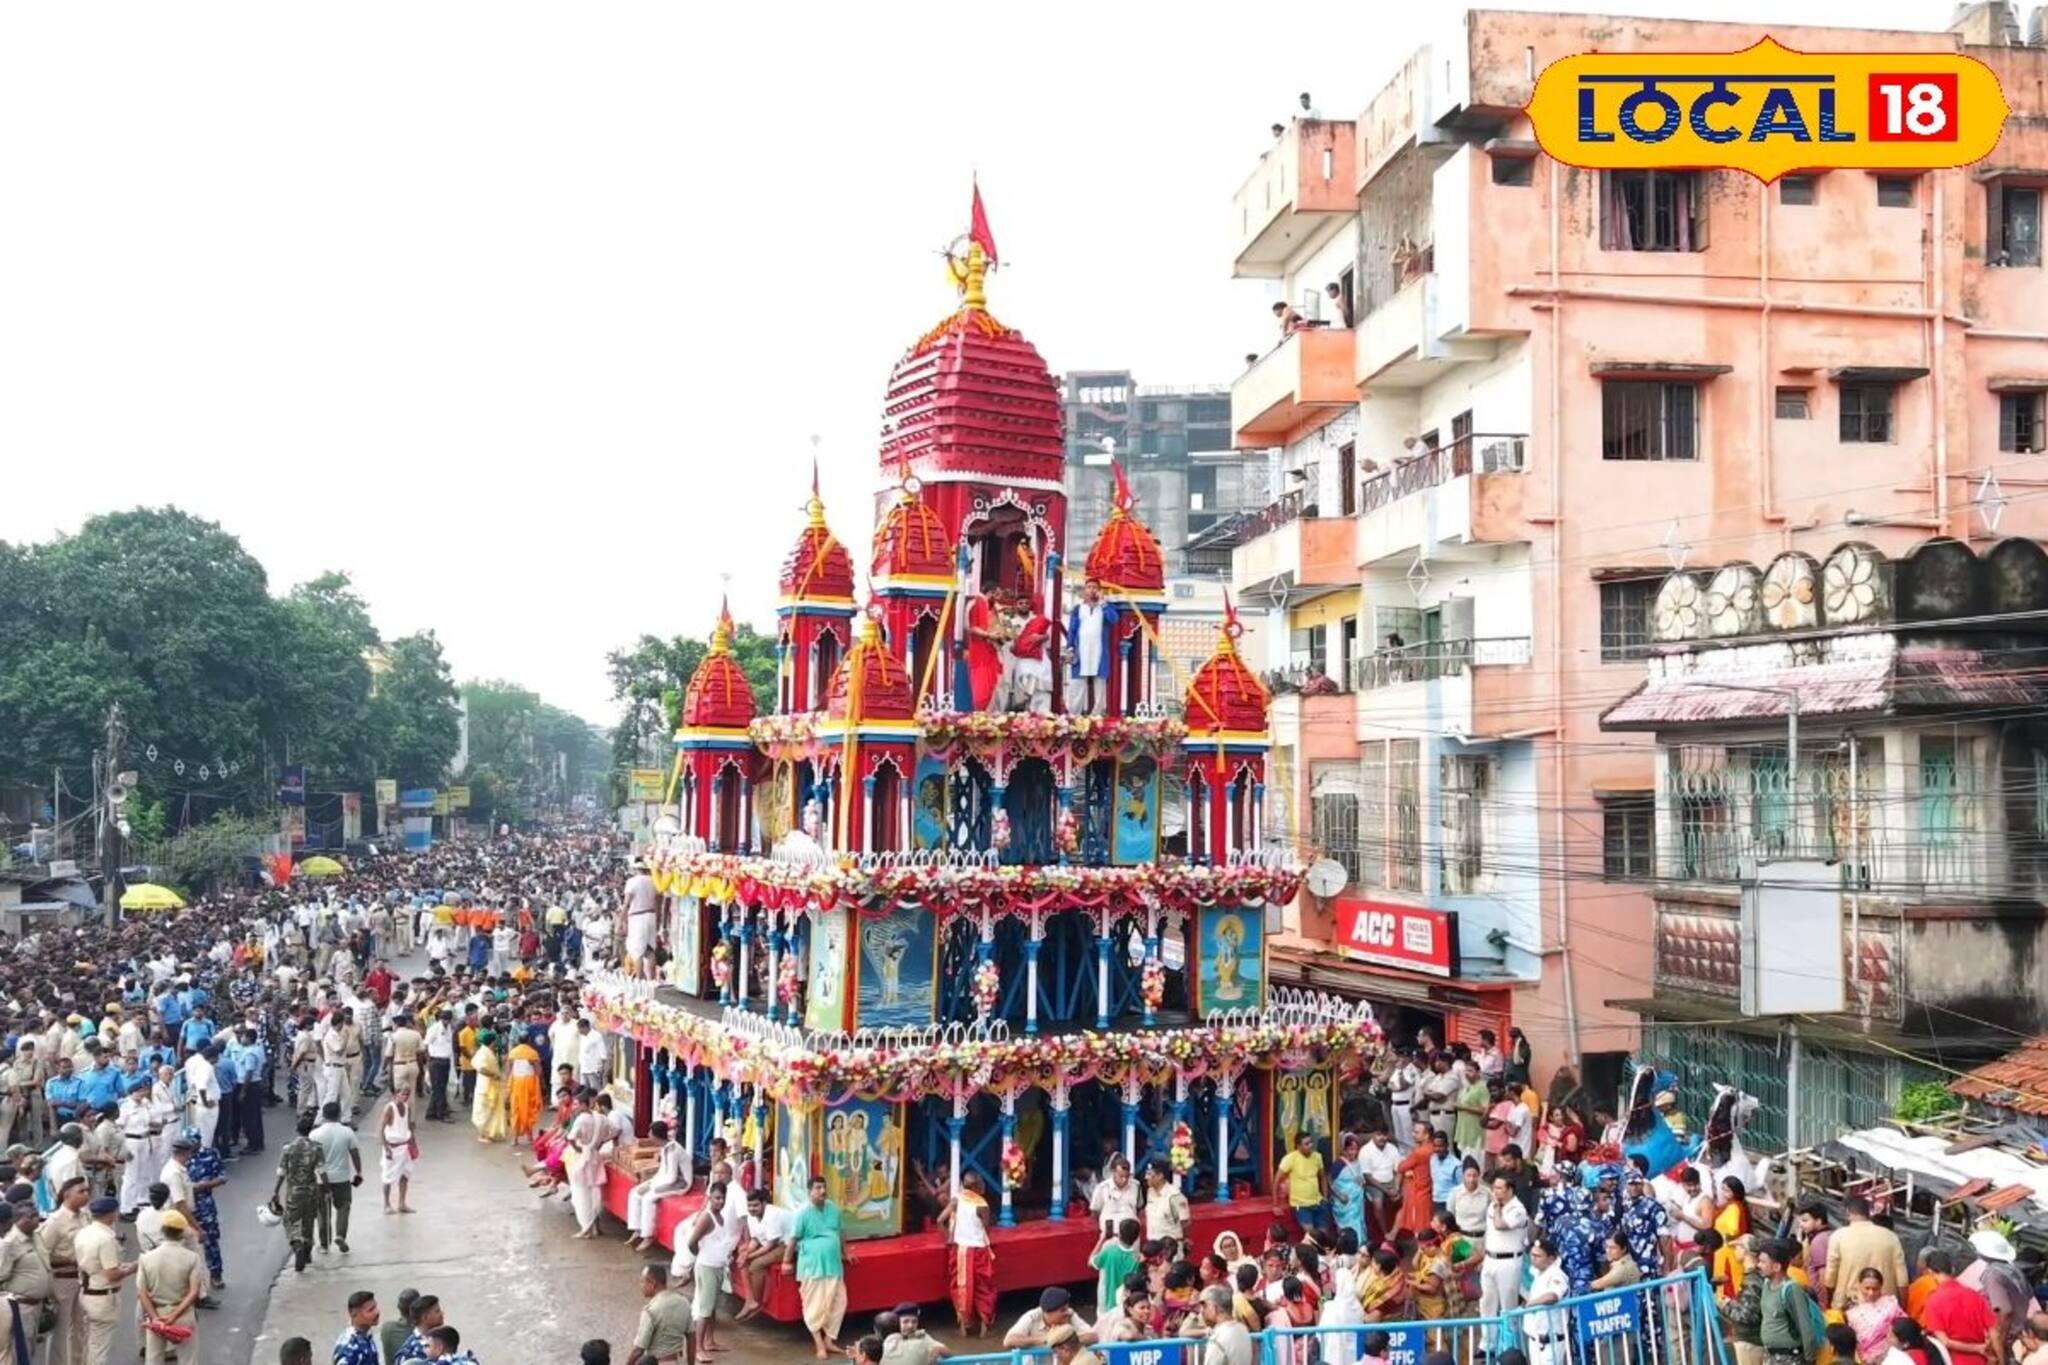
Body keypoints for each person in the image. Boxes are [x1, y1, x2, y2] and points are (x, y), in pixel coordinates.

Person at [787, 1174, 847, 1359]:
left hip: (834, 1265)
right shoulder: (802, 1213)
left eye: (823, 1187)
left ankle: (829, 1340)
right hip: (812, 1267)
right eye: (818, 1188)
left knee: (839, 1303)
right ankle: (819, 1344)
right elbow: (793, 1240)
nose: (822, 1191)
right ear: (809, 1191)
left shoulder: (834, 1210)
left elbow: (841, 1232)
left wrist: (846, 1253)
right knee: (814, 1307)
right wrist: (786, 1261)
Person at [135, 1209, 203, 1365]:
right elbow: (193, 1292)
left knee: (153, 1359)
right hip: (183, 1313)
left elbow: (142, 1293)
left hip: (156, 1313)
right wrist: (174, 1315)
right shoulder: (192, 1258)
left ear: (162, 1230)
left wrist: (155, 1318)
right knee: (188, 1359)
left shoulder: (146, 1259)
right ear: (182, 1232)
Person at [1822, 1195, 1908, 1310]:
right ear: (1869, 1213)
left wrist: (1831, 1301)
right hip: (1884, 1307)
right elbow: (1902, 1280)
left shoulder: (1838, 1236)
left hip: (1850, 1303)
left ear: (1848, 1213)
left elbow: (1830, 1277)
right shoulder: (1891, 1237)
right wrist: (1902, 1307)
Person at [74, 1194, 131, 1365]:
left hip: (86, 1291)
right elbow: (111, 1274)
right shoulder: (106, 1239)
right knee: (99, 1346)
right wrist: (131, 1269)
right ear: (110, 1214)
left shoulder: (83, 1232)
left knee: (89, 1341)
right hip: (102, 1296)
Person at [683, 1179, 736, 1359]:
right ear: (710, 1198)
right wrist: (701, 1255)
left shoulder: (720, 1217)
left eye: (722, 1198)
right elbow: (692, 1242)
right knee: (704, 1308)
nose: (720, 1201)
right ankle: (698, 1348)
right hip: (707, 1267)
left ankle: (710, 1341)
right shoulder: (707, 1217)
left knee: (711, 1307)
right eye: (717, 1198)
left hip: (718, 1266)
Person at [938, 1172, 995, 1337]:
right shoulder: (982, 1205)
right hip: (978, 1251)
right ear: (977, 1187)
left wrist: (949, 1239)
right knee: (984, 1289)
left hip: (960, 1250)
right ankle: (984, 1329)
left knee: (960, 1287)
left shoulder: (957, 1199)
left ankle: (964, 1328)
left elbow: (939, 1220)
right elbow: (987, 1230)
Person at [1919, 1246, 1997, 1365]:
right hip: (1981, 1360)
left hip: (1952, 1361)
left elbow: (1944, 1342)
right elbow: (1994, 1331)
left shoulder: (1933, 1301)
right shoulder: (1975, 1295)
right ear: (1953, 1269)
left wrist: (1978, 1348)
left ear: (1930, 1272)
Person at [625, 1121, 688, 1253]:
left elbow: (671, 1177)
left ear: (655, 1135)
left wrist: (653, 1188)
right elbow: (662, 1172)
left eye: (650, 1133)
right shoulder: (665, 1147)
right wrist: (650, 1183)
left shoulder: (673, 1150)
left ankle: (648, 1236)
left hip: (680, 1183)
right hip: (665, 1180)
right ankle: (638, 1229)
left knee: (648, 1198)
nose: (648, 1135)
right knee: (635, 1193)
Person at [1758, 1238, 1822, 1365]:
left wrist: (1810, 1359)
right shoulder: (1766, 1285)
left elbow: (1805, 1327)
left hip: (1789, 1358)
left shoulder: (1791, 1290)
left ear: (1777, 1267)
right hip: (1770, 1356)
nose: (1758, 1265)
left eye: (1763, 1262)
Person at [311, 1101, 363, 1256]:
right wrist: (359, 1172)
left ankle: (324, 1245)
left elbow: (311, 1157)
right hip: (342, 1177)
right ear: (339, 1114)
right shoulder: (347, 1132)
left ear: (324, 1115)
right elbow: (354, 1153)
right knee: (343, 1207)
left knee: (323, 1211)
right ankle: (340, 1235)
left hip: (321, 1178)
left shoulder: (315, 1134)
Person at [733, 1186, 790, 1321]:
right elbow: (755, 1239)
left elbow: (770, 1245)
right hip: (771, 1243)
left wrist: (749, 1256)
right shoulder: (751, 1216)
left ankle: (756, 1302)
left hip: (788, 1245)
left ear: (764, 1204)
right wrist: (745, 1253)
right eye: (750, 1206)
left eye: (756, 1205)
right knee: (742, 1253)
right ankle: (750, 1299)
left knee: (756, 1265)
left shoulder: (773, 1215)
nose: (752, 1208)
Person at [626, 1262, 693, 1365]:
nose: (641, 1286)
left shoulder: (651, 1310)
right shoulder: (683, 1302)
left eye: (642, 1282)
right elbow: (692, 1337)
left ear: (652, 1283)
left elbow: (639, 1349)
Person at [1844, 1266, 1904, 1365]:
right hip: (1863, 1359)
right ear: (1859, 1286)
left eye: (1875, 1289)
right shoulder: (1851, 1309)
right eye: (1867, 1288)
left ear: (1881, 1287)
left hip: (1891, 1357)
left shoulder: (1890, 1304)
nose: (1871, 1293)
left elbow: (1903, 1329)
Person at [1274, 1132, 1330, 1238]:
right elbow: (1276, 1180)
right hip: (1301, 1205)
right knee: (1312, 1236)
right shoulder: (1290, 1158)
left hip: (1318, 1202)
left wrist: (1325, 1197)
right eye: (1306, 1144)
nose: (1310, 1145)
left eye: (1311, 1142)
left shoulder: (1317, 1157)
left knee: (1324, 1236)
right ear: (1298, 1146)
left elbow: (1323, 1177)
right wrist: (1275, 1204)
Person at [1006, 1286, 1095, 1349]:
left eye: (1067, 1308)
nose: (1067, 1312)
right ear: (1047, 1312)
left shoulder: (1070, 1314)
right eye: (1062, 1310)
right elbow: (1008, 1341)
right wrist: (1044, 1340)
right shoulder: (1032, 1317)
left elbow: (1093, 1336)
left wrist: (1065, 1340)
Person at [1090, 1217, 1141, 1323]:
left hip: (1108, 1303)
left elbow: (1091, 1262)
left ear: (1120, 1234)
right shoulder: (1138, 1258)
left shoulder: (1109, 1251)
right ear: (1136, 1238)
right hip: (1127, 1305)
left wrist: (1102, 1239)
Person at [379, 1085, 417, 1214]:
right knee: (387, 1177)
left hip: (405, 1146)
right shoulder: (390, 1108)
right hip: (393, 1146)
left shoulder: (407, 1108)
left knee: (405, 1175)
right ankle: (386, 1204)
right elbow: (381, 1130)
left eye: (407, 1094)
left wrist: (413, 1142)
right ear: (396, 1094)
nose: (405, 1097)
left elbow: (408, 1126)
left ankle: (401, 1203)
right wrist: (386, 1148)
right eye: (402, 1094)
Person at [469, 1031, 509, 1143]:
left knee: (491, 1110)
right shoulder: (483, 1053)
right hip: (486, 1086)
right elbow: (481, 1069)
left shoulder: (487, 1052)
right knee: (484, 1110)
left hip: (491, 1085)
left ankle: (490, 1133)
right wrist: (494, 1075)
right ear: (492, 1042)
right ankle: (482, 1135)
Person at [1200, 1285, 1251, 1365]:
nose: (1202, 1310)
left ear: (1213, 1307)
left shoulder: (1218, 1339)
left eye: (1204, 1305)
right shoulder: (1243, 1329)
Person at [506, 1036, 544, 1146]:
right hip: (529, 1085)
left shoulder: (512, 1053)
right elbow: (539, 1072)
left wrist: (509, 1086)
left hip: (516, 1084)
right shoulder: (532, 1053)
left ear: (518, 1041)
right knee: (529, 1110)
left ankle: (515, 1139)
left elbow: (508, 1071)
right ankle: (530, 1137)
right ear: (529, 1041)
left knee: (516, 1111)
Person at [1142, 1160, 1189, 1245]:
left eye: (1149, 1174)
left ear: (1160, 1176)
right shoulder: (1150, 1192)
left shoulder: (1174, 1196)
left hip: (1170, 1247)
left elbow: (1185, 1222)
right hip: (1153, 1245)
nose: (1146, 1177)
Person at [334, 1290, 381, 1365]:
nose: (377, 1312)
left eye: (376, 1307)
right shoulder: (348, 1348)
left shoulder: (366, 1336)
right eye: (370, 1310)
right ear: (354, 1314)